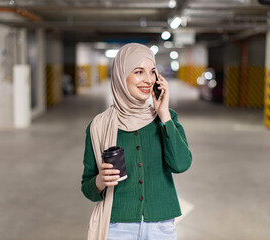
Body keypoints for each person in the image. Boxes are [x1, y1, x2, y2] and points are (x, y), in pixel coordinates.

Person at [81, 43, 192, 240]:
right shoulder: (99, 126)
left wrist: (163, 113)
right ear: (121, 76)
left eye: (152, 72)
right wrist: (100, 181)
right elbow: (87, 188)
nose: (148, 80)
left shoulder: (167, 118)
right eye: (138, 72)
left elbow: (181, 164)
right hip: (117, 227)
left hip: (161, 225)